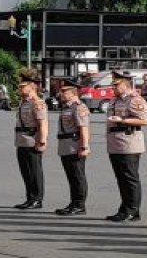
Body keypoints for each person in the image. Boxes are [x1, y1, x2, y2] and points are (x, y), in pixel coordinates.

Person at [106, 71, 147, 222]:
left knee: (130, 177)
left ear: (125, 85)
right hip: (115, 142)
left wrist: (123, 120)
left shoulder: (134, 99)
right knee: (121, 178)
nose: (114, 88)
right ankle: (125, 207)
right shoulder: (115, 100)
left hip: (129, 142)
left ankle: (132, 209)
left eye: (116, 85)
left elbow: (145, 120)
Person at [54, 78, 91, 216]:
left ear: (73, 92)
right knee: (71, 176)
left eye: (64, 91)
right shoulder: (67, 107)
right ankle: (73, 202)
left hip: (75, 144)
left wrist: (84, 146)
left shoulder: (78, 107)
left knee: (77, 175)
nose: (61, 94)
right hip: (65, 145)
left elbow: (84, 128)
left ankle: (80, 204)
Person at [12, 69, 48, 209]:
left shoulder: (37, 103)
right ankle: (30, 197)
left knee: (34, 171)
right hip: (22, 140)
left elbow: (42, 124)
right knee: (26, 171)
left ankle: (37, 199)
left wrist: (42, 141)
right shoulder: (24, 102)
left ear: (32, 86)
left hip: (32, 140)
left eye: (22, 86)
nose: (19, 88)